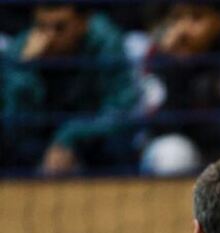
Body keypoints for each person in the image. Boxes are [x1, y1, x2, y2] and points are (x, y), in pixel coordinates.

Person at [1, 3, 138, 173]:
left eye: (60, 27)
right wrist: (25, 71)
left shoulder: (106, 42)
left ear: (83, 23)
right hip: (39, 142)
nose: (49, 36)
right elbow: (13, 125)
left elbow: (121, 110)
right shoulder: (21, 51)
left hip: (91, 139)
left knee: (118, 144)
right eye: (41, 27)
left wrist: (68, 137)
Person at [140, 2, 220, 175]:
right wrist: (176, 65)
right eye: (177, 18)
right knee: (172, 153)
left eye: (197, 17)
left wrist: (202, 126)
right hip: (186, 145)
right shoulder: (160, 54)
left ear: (218, 21)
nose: (185, 28)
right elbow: (157, 123)